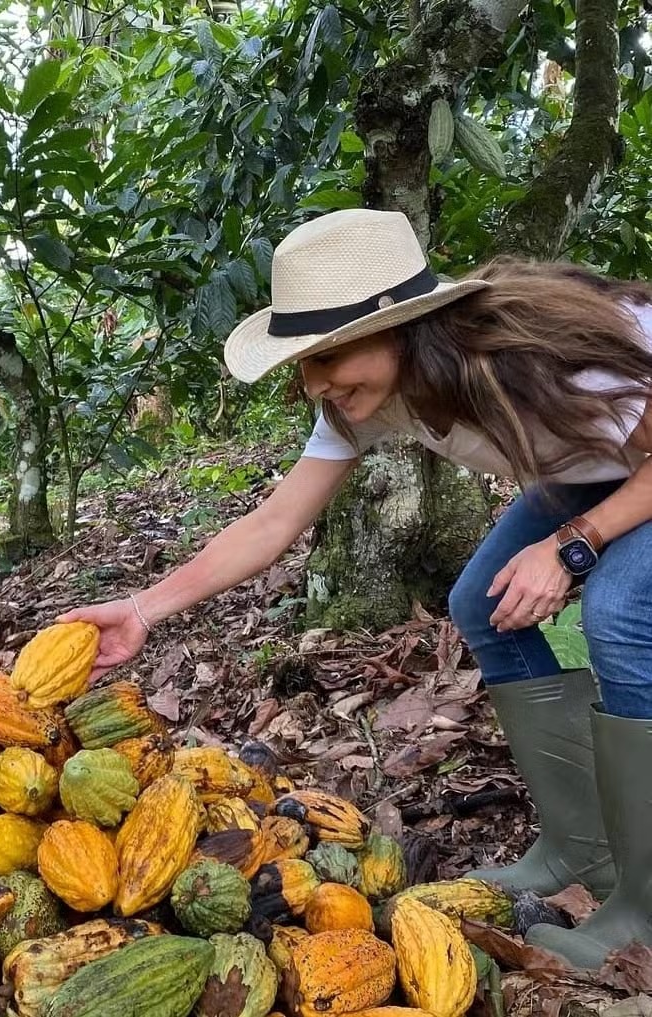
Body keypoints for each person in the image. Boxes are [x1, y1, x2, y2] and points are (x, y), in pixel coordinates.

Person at [57, 208, 652, 970]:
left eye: (329, 352)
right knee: (480, 603)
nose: (314, 381)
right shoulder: (369, 394)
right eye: (303, 358)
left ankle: (643, 908)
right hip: (596, 464)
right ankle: (585, 847)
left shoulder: (535, 355)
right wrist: (141, 609)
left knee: (619, 608)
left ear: (404, 327)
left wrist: (570, 546)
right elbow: (271, 522)